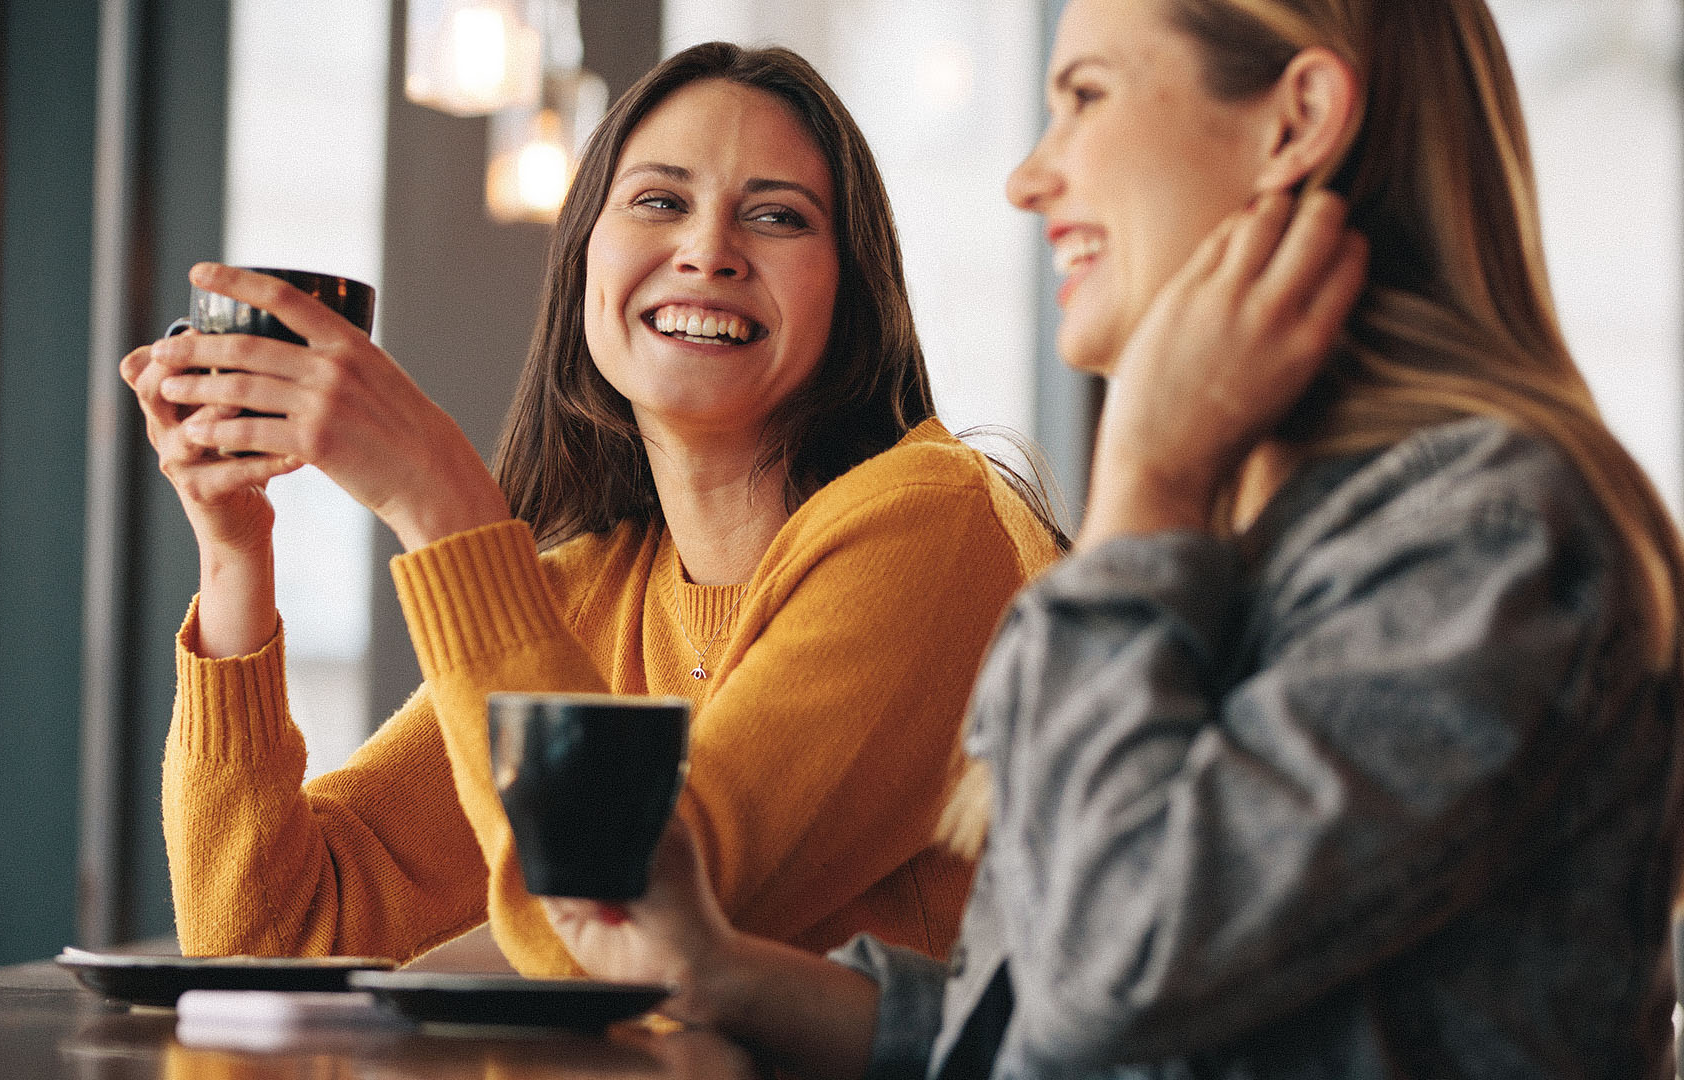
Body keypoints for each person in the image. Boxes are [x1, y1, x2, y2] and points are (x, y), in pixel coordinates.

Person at [543, 1, 1684, 1076]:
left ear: (1296, 123)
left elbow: (1112, 971)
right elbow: (1050, 1023)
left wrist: (1141, 476)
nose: (1030, 177)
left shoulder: (1484, 542)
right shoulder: (1255, 536)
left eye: (1085, 97)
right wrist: (723, 974)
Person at [119, 42, 1064, 976]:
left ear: (851, 293)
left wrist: (435, 496)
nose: (708, 252)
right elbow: (270, 940)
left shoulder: (929, 527)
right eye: (660, 201)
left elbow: (630, 919)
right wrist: (235, 549)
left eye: (778, 217)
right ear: (581, 265)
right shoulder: (590, 596)